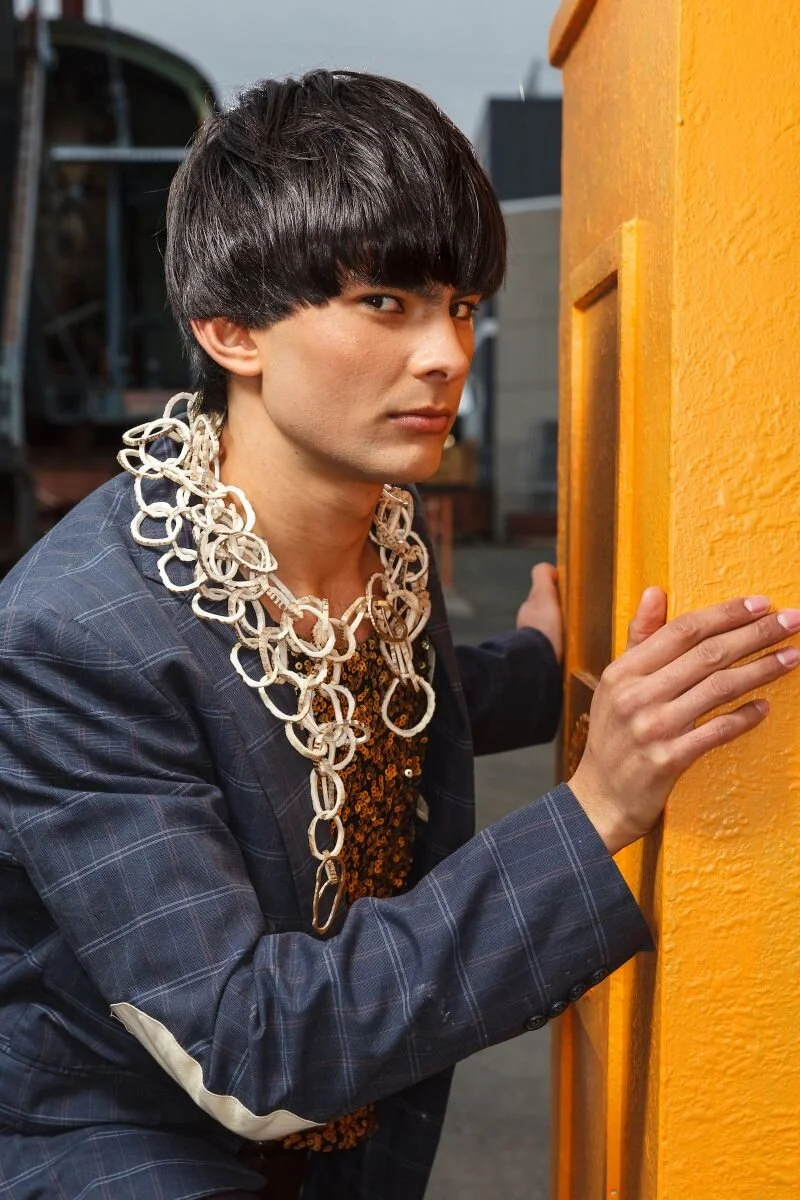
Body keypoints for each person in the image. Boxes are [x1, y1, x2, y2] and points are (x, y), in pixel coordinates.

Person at [0, 70, 797, 1200]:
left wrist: (547, 670)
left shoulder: (381, 522)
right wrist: (597, 809)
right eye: (386, 303)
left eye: (460, 305)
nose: (447, 355)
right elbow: (250, 1048)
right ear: (231, 329)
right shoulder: (72, 637)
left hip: (351, 1148)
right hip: (122, 1154)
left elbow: (332, 691)